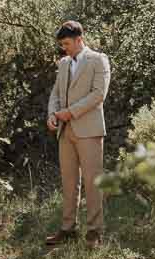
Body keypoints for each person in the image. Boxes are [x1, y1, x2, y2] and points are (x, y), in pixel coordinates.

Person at [45, 20, 111, 247]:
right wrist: (52, 114)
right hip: (65, 132)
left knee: (93, 182)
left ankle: (94, 231)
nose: (64, 48)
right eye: (61, 44)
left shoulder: (98, 60)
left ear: (79, 39)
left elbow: (98, 94)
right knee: (69, 181)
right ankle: (67, 228)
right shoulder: (63, 63)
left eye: (66, 43)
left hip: (89, 130)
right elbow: (55, 93)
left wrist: (69, 113)